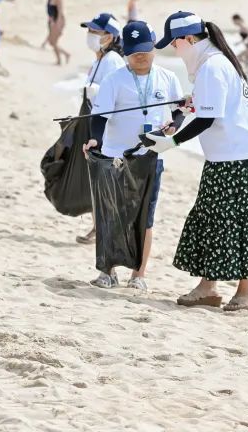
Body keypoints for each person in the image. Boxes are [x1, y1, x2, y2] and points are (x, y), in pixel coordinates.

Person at [141, 11, 248, 311]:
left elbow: (208, 118)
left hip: (240, 160)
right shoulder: (213, 62)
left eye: (174, 44)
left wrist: (172, 142)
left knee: (239, 224)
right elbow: (208, 108)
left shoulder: (213, 66)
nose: (174, 51)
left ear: (188, 39)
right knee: (213, 220)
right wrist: (185, 110)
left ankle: (247, 292)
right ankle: (208, 287)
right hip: (230, 158)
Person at [82, 20, 184, 291]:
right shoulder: (114, 79)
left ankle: (139, 275)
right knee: (111, 214)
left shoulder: (168, 77)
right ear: (126, 50)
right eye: (134, 50)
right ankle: (107, 271)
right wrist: (95, 139)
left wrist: (174, 125)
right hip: (116, 155)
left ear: (154, 47)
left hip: (150, 157)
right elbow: (100, 116)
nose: (141, 55)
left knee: (144, 217)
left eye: (145, 49)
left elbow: (179, 109)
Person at [74, 12, 126, 245]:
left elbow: (114, 95)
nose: (91, 35)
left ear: (110, 36)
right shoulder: (99, 59)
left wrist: (95, 92)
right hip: (94, 121)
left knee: (103, 179)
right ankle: (98, 227)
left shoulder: (112, 60)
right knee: (96, 179)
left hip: (105, 127)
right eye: (90, 31)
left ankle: (104, 229)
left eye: (96, 31)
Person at [45, 0, 71, 65]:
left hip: (57, 21)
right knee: (51, 42)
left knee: (53, 42)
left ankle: (61, 59)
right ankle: (64, 56)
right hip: (51, 21)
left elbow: (60, 13)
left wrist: (58, 25)